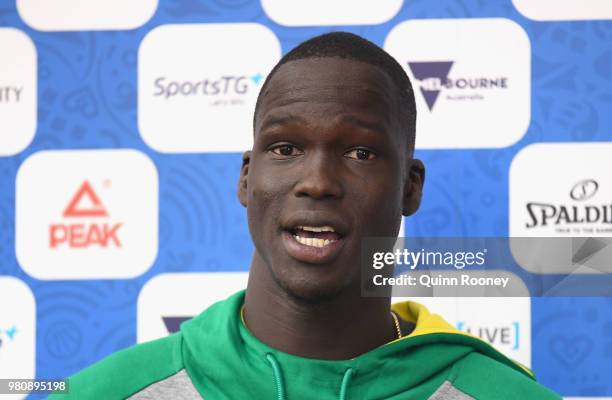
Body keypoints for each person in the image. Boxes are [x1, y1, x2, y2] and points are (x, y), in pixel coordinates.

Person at [50, 32, 560, 400]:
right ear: (247, 178)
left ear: (411, 186)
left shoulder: (502, 394)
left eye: (361, 153)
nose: (317, 181)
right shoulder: (104, 392)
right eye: (286, 147)